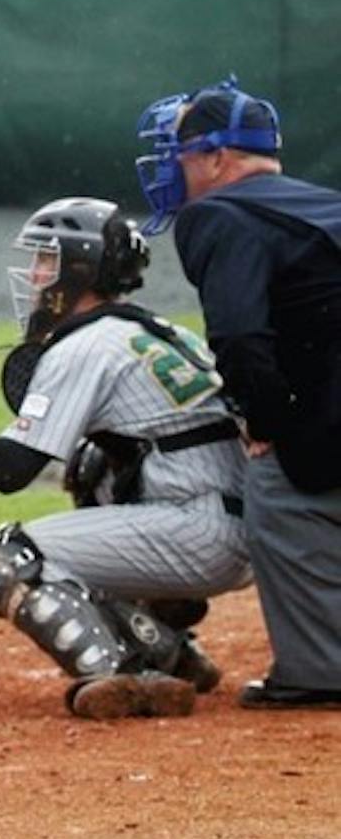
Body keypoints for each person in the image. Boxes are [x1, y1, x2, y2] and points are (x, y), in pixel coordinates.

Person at [0, 197, 251, 719]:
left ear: (80, 269)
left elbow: (7, 470)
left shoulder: (84, 345)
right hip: (244, 527)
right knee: (90, 465)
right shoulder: (152, 330)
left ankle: (118, 672)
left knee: (4, 556)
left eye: (46, 260)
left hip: (198, 531)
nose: (35, 274)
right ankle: (172, 653)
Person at [135, 75, 341, 709]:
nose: (175, 166)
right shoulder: (325, 203)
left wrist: (268, 421)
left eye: (183, 153)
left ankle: (319, 673)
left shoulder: (218, 214)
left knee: (282, 497)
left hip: (327, 408)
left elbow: (240, 336)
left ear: (218, 158)